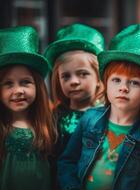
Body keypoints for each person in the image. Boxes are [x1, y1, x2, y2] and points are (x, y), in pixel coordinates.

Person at [57, 24, 140, 190]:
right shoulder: (89, 119)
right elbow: (67, 161)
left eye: (134, 82)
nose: (123, 88)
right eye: (116, 80)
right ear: (105, 83)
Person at [0, 26, 56, 190]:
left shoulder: (48, 126)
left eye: (25, 82)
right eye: (8, 84)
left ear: (38, 86)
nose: (18, 91)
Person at [44, 23, 105, 156]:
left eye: (83, 74)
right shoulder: (54, 117)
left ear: (98, 78)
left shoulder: (108, 114)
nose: (74, 82)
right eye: (66, 76)